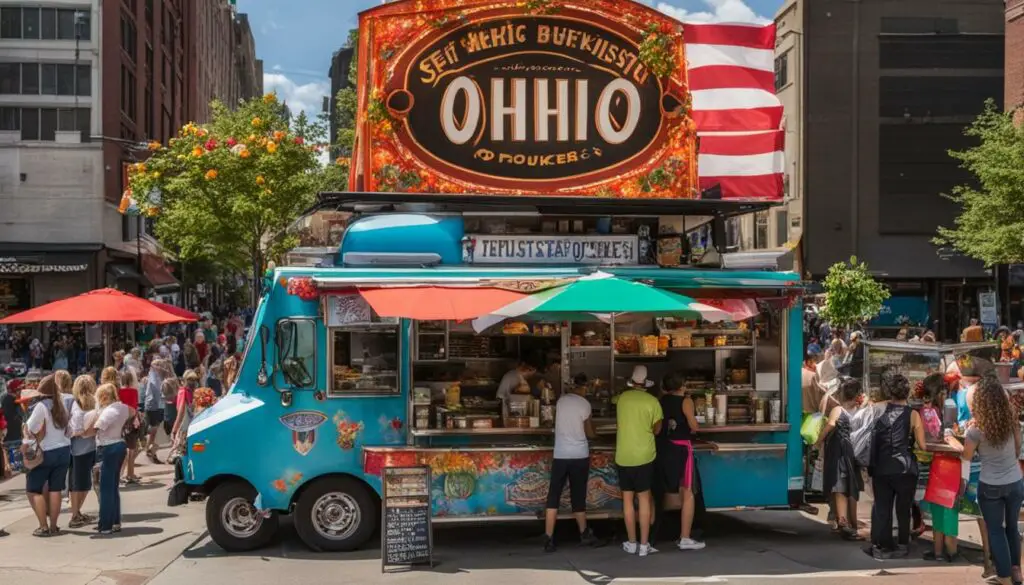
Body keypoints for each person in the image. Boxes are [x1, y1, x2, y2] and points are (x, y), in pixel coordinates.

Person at [946, 375, 1023, 585]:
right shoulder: (1011, 419)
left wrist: (951, 440)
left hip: (991, 485)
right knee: (1012, 528)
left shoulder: (976, 430)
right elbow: (1017, 449)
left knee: (995, 530)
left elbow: (966, 456)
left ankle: (1004, 577)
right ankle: (1016, 573)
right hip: (1015, 482)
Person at [867, 372, 926, 559]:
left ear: (889, 392)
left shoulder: (877, 410)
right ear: (907, 393)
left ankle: (881, 545)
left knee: (882, 507)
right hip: (905, 468)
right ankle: (902, 544)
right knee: (903, 508)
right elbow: (923, 445)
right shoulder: (913, 415)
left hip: (881, 466)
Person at [542, 373, 598, 552]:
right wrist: (595, 433)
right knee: (578, 496)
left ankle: (548, 537)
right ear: (585, 387)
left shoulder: (561, 401)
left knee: (554, 496)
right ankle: (584, 534)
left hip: (560, 454)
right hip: (579, 455)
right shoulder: (585, 404)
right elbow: (589, 433)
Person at [615, 365, 664, 557]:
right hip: (644, 455)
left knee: (627, 500)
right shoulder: (653, 401)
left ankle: (631, 542)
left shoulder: (622, 399)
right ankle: (644, 545)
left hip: (623, 455)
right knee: (644, 499)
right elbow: (657, 429)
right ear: (646, 384)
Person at [656, 373, 705, 550]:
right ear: (682, 386)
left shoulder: (660, 401)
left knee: (663, 490)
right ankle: (685, 537)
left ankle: (655, 534)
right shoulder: (686, 401)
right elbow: (694, 426)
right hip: (681, 449)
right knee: (687, 492)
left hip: (663, 448)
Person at [20, 374, 72, 537]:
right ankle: (54, 526)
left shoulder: (41, 407)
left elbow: (30, 429)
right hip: (64, 451)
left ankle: (43, 527)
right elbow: (69, 430)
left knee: (33, 489)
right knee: (56, 489)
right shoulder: (62, 406)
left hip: (46, 452)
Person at [815, 376, 863, 540]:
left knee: (839, 486)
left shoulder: (838, 410)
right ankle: (852, 524)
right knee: (852, 488)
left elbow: (830, 425)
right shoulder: (862, 411)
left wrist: (818, 441)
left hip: (840, 452)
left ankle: (842, 520)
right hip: (855, 453)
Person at [82, 384, 131, 535]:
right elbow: (132, 412)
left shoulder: (108, 412)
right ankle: (115, 521)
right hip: (119, 444)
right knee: (113, 487)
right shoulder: (122, 407)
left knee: (105, 488)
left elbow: (95, 428)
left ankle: (106, 524)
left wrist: (81, 432)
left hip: (107, 447)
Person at [67, 375, 98, 529]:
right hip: (90, 447)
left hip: (78, 449)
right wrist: (90, 431)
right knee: (82, 484)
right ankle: (75, 515)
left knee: (78, 483)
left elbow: (74, 430)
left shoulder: (76, 404)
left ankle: (76, 513)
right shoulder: (94, 403)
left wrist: (84, 432)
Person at [117, 368, 143, 484]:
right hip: (131, 422)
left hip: (121, 422)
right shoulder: (134, 392)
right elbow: (135, 407)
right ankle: (130, 474)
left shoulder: (118, 392)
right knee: (132, 450)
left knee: (124, 451)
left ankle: (122, 474)